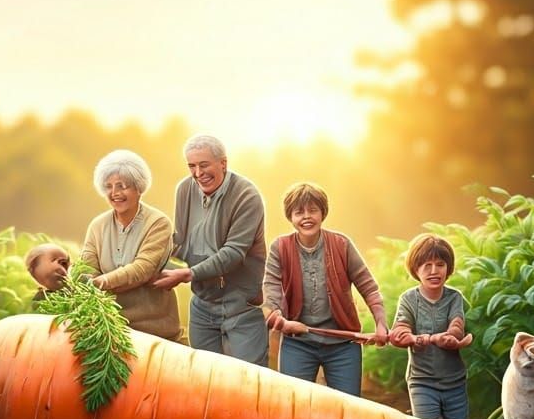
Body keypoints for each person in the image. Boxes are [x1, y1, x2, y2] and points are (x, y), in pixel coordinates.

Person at [263, 182, 388, 397]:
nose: (306, 217)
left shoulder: (342, 244)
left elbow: (368, 286)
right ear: (290, 217)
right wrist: (282, 322)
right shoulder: (280, 247)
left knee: (349, 408)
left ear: (323, 213)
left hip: (343, 343)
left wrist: (381, 324)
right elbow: (270, 291)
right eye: (299, 212)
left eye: (313, 210)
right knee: (294, 406)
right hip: (298, 343)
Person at [154, 134, 268, 365]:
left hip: (241, 307)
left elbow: (233, 253)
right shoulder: (185, 190)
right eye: (192, 166)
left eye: (204, 165)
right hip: (203, 305)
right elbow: (180, 243)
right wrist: (151, 262)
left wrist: (188, 274)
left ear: (223, 163)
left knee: (248, 382)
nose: (198, 173)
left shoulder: (246, 195)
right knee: (204, 382)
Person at [80, 149, 184, 341]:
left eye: (122, 186)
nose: (115, 193)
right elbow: (85, 268)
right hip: (110, 328)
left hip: (155, 332)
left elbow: (142, 269)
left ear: (138, 188)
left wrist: (98, 283)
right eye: (109, 186)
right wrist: (84, 282)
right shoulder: (98, 225)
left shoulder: (158, 222)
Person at [388, 232, 473, 419]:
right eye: (427, 265)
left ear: (448, 268)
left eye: (440, 265)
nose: (434, 271)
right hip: (422, 382)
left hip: (455, 382)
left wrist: (452, 337)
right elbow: (400, 331)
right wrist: (411, 337)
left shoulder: (454, 297)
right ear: (415, 269)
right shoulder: (408, 299)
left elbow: (457, 324)